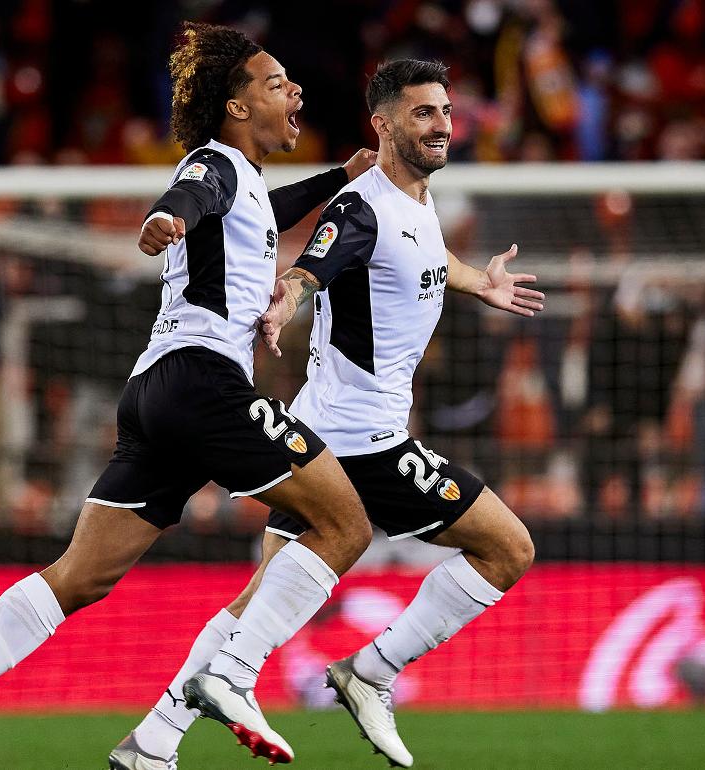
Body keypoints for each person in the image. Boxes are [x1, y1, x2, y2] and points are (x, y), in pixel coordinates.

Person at [0, 22, 378, 770]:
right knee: (345, 525)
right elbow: (194, 187)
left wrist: (339, 178)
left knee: (81, 575)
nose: (296, 91)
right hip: (204, 381)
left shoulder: (244, 180)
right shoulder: (214, 164)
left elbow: (260, 212)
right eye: (277, 83)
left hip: (155, 391)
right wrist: (167, 217)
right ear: (236, 107)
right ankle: (230, 675)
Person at [113, 60, 540, 770]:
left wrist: (477, 282)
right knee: (508, 548)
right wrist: (287, 298)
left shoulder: (417, 203)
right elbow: (315, 265)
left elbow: (422, 258)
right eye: (422, 113)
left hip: (321, 430)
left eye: (444, 112)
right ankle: (367, 671)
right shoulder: (361, 206)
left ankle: (154, 740)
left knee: (257, 600)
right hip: (363, 440)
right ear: (383, 125)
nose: (440, 125)